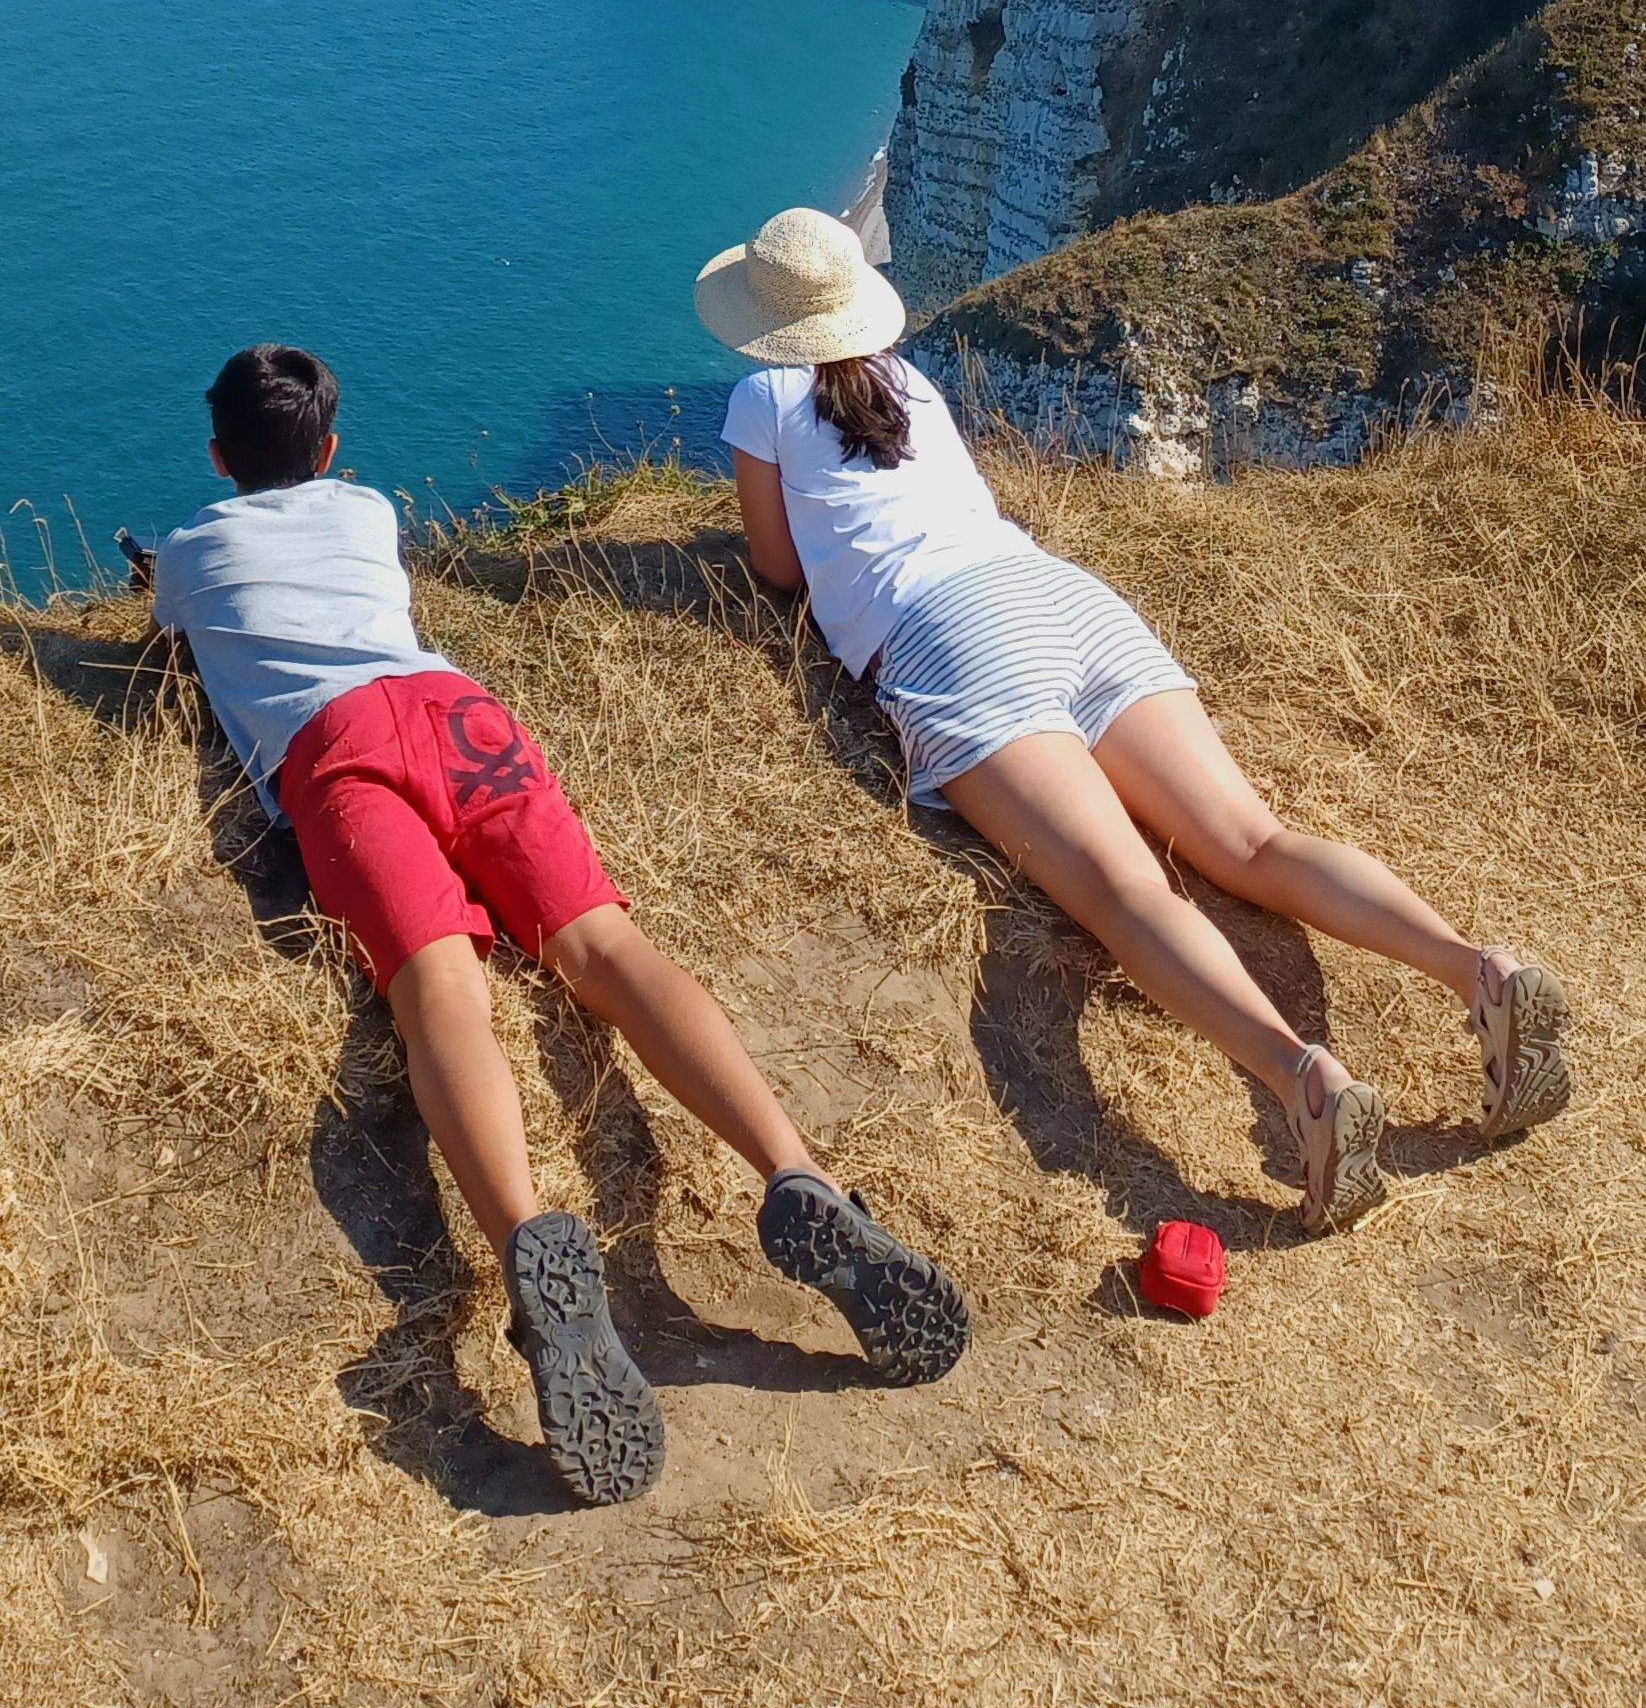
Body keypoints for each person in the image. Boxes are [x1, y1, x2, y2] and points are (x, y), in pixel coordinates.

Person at [136, 342, 969, 1505]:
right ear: (332, 452)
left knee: (439, 987)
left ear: (219, 456)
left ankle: (529, 1241)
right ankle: (796, 1175)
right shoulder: (368, 511)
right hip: (458, 712)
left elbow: (170, 633)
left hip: (340, 754)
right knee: (603, 948)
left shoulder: (188, 550)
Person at [699, 210, 1572, 1238]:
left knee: (1123, 892)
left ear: (764, 322)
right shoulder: (909, 380)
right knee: (1251, 842)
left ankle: (1303, 1081)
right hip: (1057, 594)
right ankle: (1477, 969)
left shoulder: (761, 395)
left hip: (949, 636)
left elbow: (775, 571)